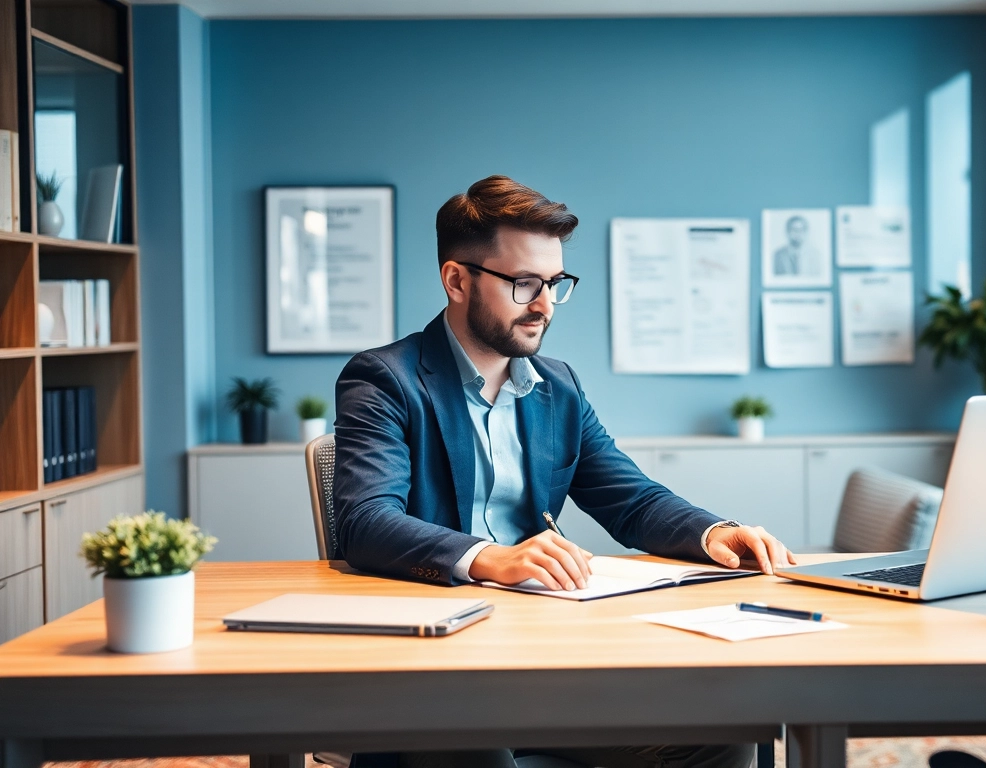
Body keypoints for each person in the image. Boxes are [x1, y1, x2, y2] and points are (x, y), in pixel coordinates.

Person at [333, 175, 794, 768]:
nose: (545, 305)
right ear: (457, 280)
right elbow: (366, 522)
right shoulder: (385, 379)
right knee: (474, 748)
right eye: (524, 283)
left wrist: (714, 533)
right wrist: (489, 557)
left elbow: (632, 500)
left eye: (554, 284)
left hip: (542, 651)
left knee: (725, 731)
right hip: (438, 667)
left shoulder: (558, 386)